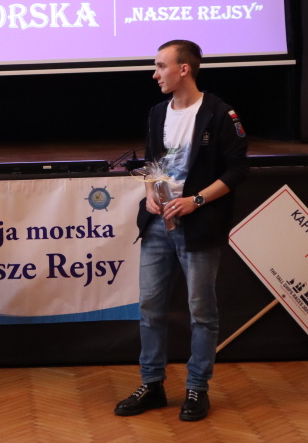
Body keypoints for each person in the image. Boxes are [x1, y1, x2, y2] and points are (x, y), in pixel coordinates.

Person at [115, 40, 249, 422]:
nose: (155, 74)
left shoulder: (220, 113)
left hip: (199, 226)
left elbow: (238, 170)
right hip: (158, 224)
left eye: (161, 66)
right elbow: (153, 163)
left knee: (201, 312)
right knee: (149, 308)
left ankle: (196, 388)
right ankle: (152, 384)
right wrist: (149, 193)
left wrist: (197, 200)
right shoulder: (158, 112)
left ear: (184, 69)